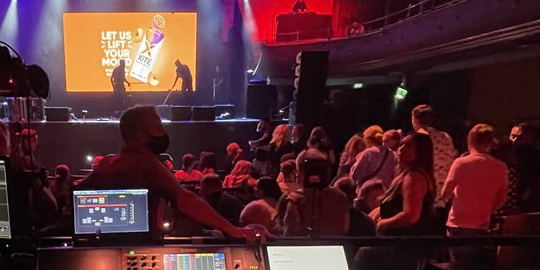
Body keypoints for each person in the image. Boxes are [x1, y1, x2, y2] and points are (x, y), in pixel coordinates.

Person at [77, 105, 261, 241]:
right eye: (158, 126)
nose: (163, 133)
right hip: (144, 245)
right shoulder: (148, 165)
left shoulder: (107, 162)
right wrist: (232, 229)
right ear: (142, 136)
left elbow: (77, 194)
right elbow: (185, 199)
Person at [441, 124, 509, 236]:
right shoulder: (501, 167)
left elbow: (445, 194)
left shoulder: (461, 163)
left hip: (458, 223)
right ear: (490, 143)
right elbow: (502, 199)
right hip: (482, 224)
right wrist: (487, 209)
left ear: (470, 141)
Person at [373, 132, 435, 235]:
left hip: (405, 242)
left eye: (409, 146)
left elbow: (410, 216)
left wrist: (384, 223)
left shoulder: (414, 178)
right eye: (401, 144)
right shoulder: (404, 175)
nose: (401, 149)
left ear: (421, 152)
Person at [277, 150, 350, 237]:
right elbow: (345, 228)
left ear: (299, 174)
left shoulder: (294, 200)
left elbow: (290, 234)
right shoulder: (340, 196)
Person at [410, 104, 456, 194]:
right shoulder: (446, 137)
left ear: (414, 119)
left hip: (421, 192)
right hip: (441, 192)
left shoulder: (415, 138)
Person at [349, 125, 395, 193]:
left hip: (369, 191)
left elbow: (355, 174)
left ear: (368, 139)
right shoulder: (390, 153)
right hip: (385, 191)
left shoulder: (368, 153)